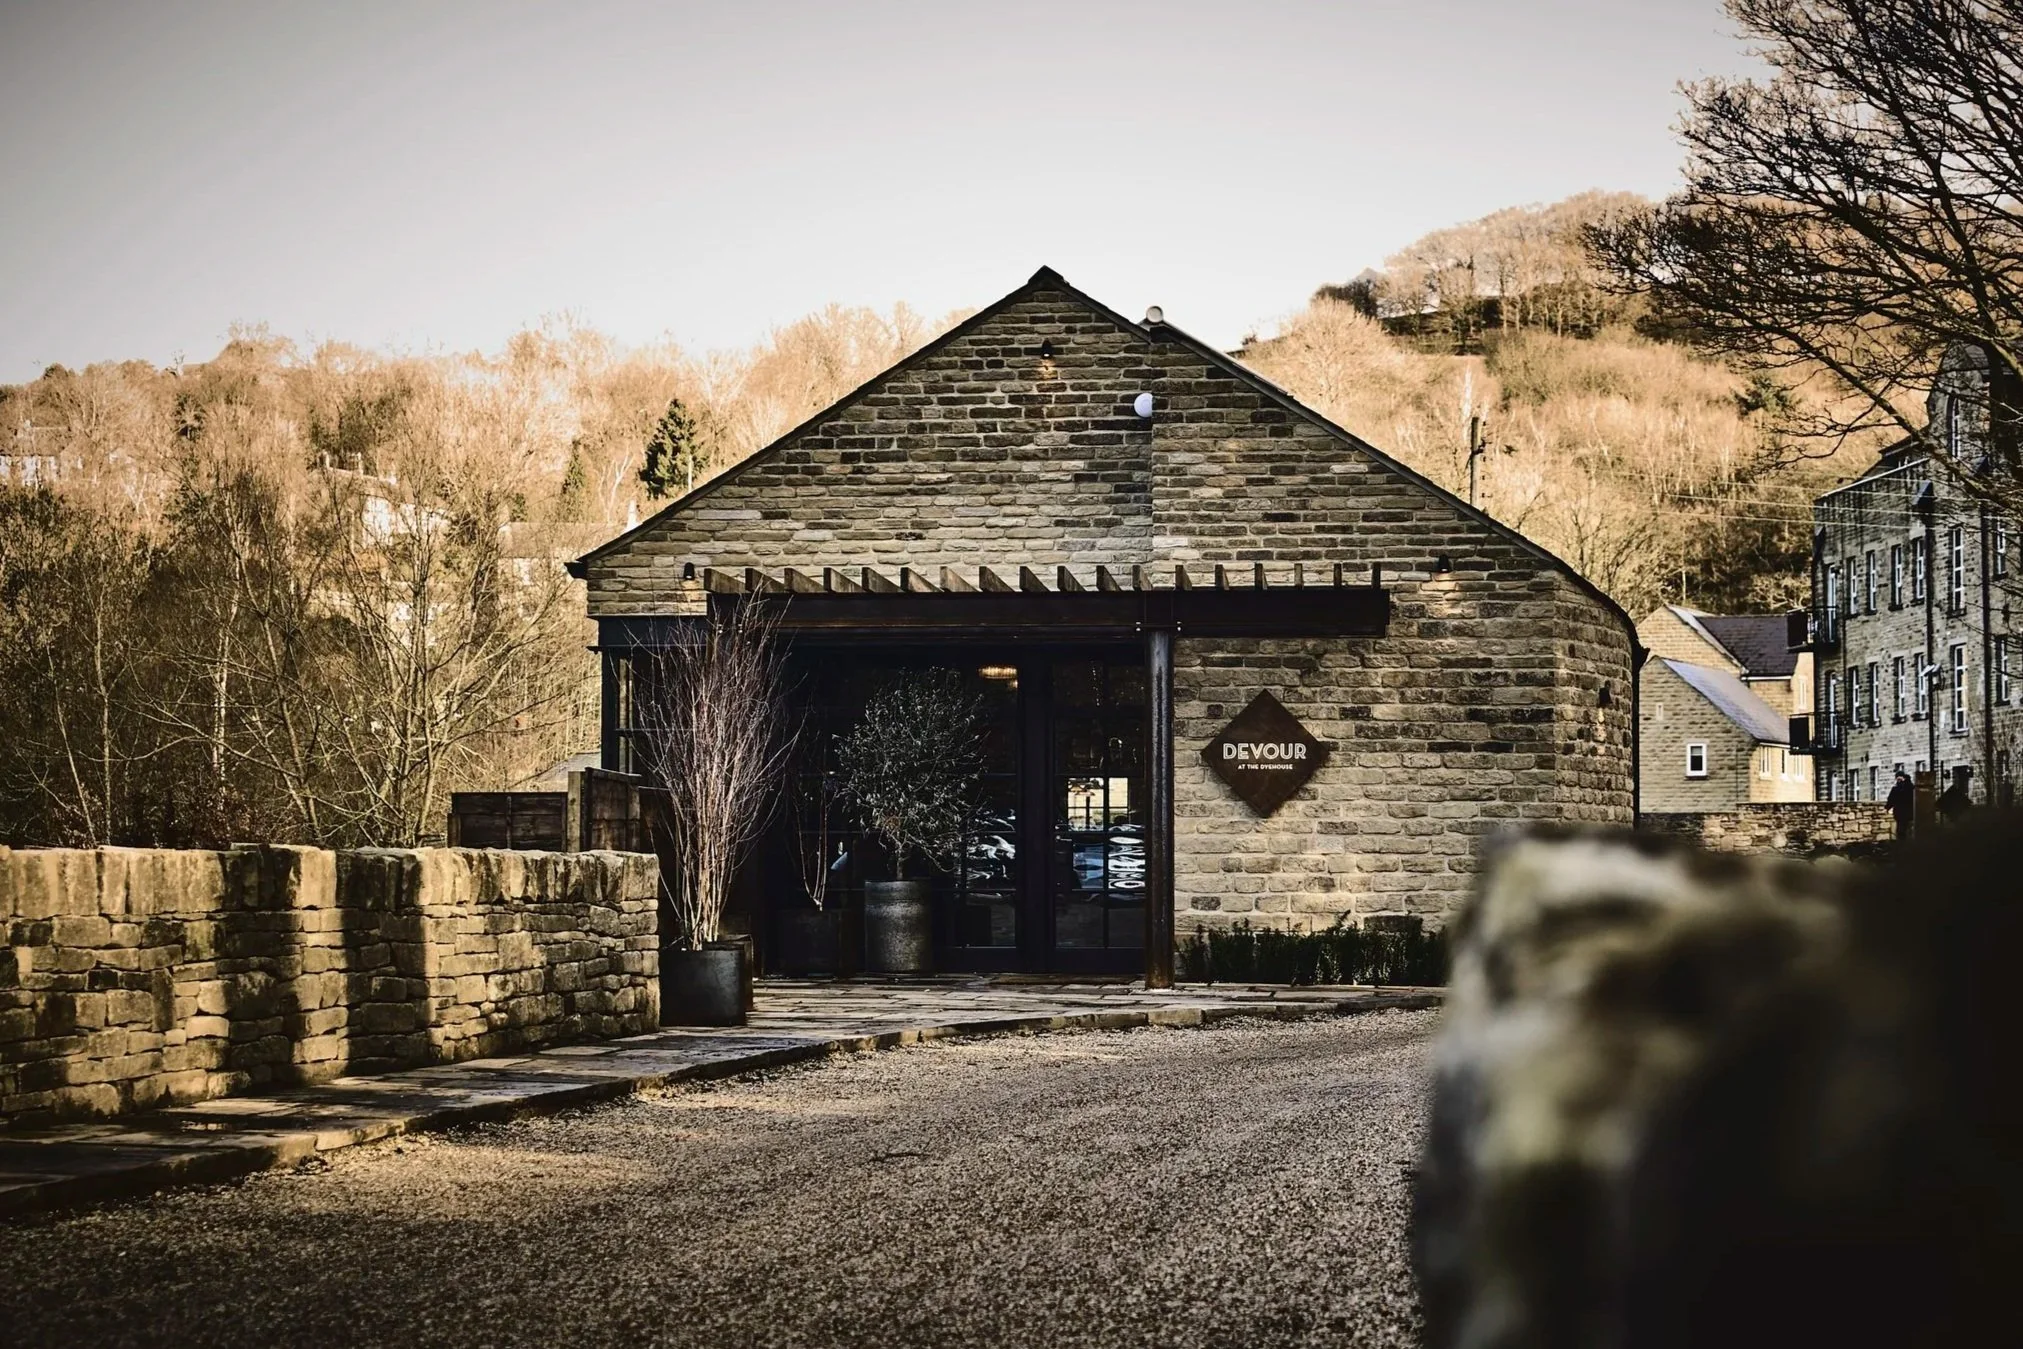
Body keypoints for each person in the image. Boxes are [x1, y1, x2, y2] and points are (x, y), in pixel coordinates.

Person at [1886, 769, 1915, 841]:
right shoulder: (1908, 787)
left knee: (1903, 830)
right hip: (1904, 812)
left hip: (1904, 812)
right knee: (1904, 829)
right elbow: (1891, 799)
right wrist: (1887, 807)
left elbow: (1891, 799)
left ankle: (1903, 844)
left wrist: (1887, 807)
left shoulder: (1907, 787)